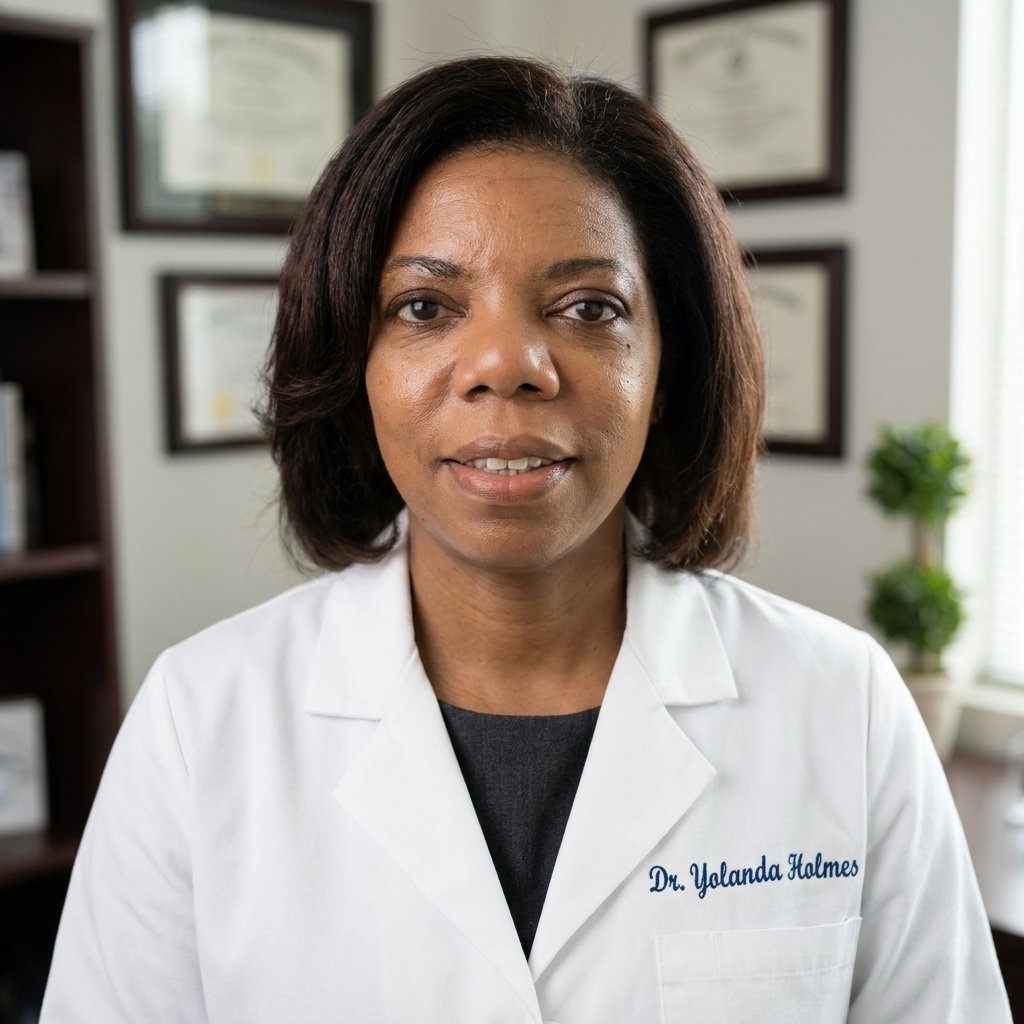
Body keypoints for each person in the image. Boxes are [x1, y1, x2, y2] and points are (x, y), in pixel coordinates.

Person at [42, 56, 1009, 1023]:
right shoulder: (198, 720)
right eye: (425, 308)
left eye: (590, 308)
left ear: (670, 365)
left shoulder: (844, 707)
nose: (506, 366)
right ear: (351, 363)